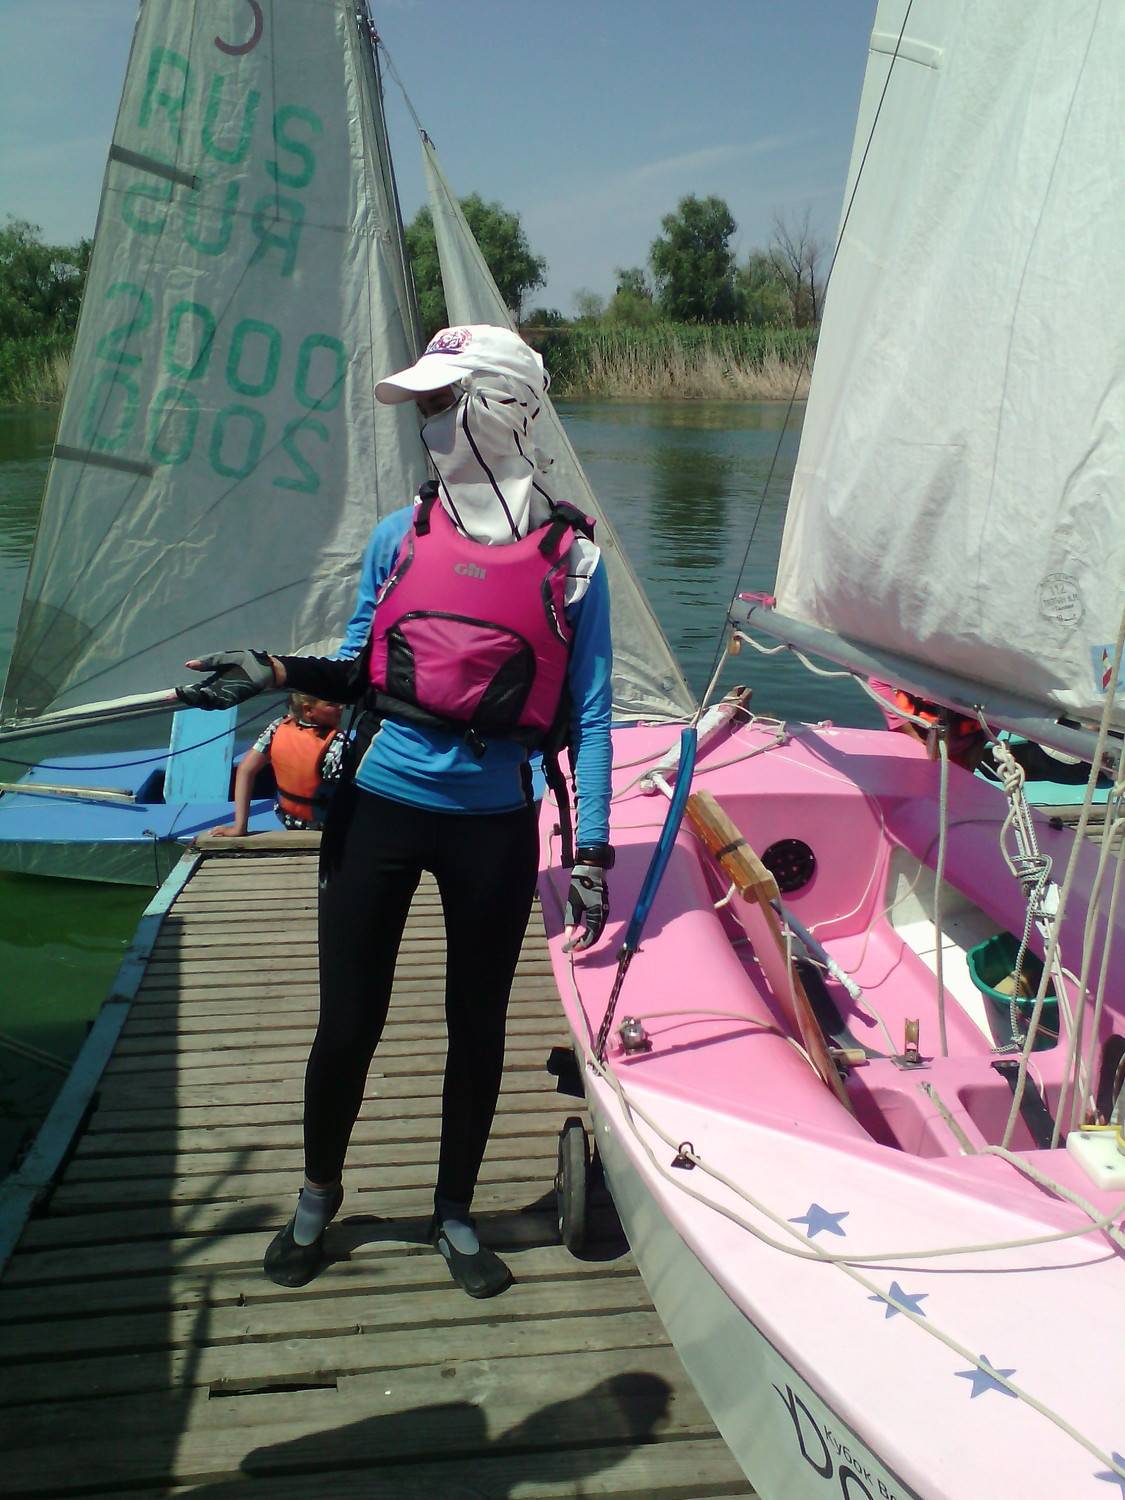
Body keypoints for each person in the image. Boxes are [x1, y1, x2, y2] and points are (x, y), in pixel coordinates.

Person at [178, 325, 614, 1300]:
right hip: (378, 809)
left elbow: (591, 715)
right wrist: (274, 670)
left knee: (477, 1026)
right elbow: (357, 668)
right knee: (348, 1022)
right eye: (423, 407)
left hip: (493, 825)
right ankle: (315, 1198)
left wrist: (591, 851)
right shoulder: (399, 536)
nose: (427, 424)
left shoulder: (575, 560)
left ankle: (453, 1212)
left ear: (497, 408)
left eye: (438, 403)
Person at [212, 693, 344, 838]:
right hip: (324, 826)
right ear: (308, 710)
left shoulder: (278, 726)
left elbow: (245, 769)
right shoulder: (337, 744)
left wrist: (240, 827)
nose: (341, 707)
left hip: (287, 817)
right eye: (332, 704)